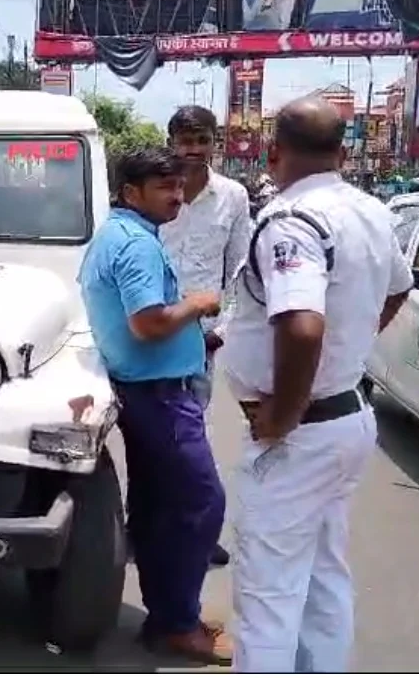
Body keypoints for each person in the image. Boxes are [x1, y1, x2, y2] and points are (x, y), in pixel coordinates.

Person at [220, 97, 413, 672]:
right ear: (342, 152)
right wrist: (350, 344)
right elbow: (399, 288)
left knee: (268, 601)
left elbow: (302, 329)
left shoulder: (292, 222)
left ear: (274, 152)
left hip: (301, 436)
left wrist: (282, 413)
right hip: (346, 420)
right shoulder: (370, 211)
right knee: (324, 578)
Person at [79, 147, 230, 665]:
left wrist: (194, 338)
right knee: (199, 504)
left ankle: (165, 614)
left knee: (157, 506)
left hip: (148, 390)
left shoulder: (121, 234)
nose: (178, 196)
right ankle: (177, 624)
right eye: (165, 188)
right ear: (130, 193)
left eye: (180, 186)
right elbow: (148, 324)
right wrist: (198, 304)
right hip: (160, 398)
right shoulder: (135, 245)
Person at [161, 105, 251, 568]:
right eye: (185, 140)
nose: (192, 151)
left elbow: (240, 272)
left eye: (202, 141)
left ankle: (197, 531)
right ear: (171, 140)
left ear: (215, 143)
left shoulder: (233, 197)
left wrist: (222, 331)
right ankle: (146, 529)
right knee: (145, 436)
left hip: (202, 342)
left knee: (192, 437)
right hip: (150, 335)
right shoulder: (156, 191)